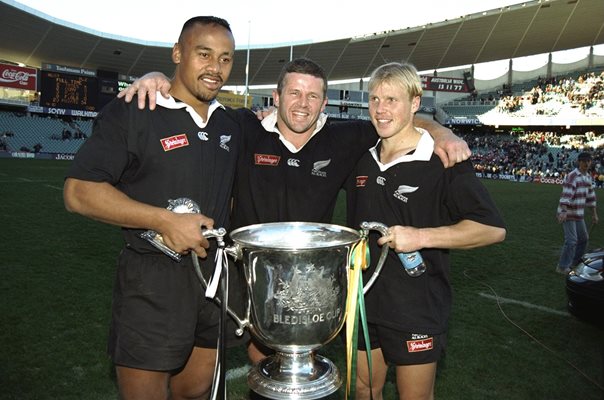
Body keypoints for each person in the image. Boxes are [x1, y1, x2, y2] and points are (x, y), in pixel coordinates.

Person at [117, 58, 472, 365]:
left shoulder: (347, 138)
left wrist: (440, 132)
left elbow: (400, 119)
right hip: (248, 276)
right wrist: (157, 78)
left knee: (302, 363)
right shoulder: (245, 128)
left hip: (310, 282)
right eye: (294, 93)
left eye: (313, 96)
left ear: (324, 103)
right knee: (254, 361)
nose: (303, 104)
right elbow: (195, 101)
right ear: (276, 97)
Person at [63, 16, 243, 400]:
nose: (216, 68)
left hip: (214, 279)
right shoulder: (134, 109)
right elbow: (78, 192)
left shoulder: (231, 124)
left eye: (226, 59)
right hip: (153, 279)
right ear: (178, 53)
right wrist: (163, 220)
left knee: (195, 390)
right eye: (204, 54)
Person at [345, 62, 506, 400]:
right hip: (362, 301)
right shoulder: (360, 157)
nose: (381, 109)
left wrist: (420, 237)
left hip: (416, 307)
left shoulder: (443, 160)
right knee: (364, 388)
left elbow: (492, 229)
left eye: (392, 100)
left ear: (415, 104)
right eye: (374, 99)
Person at [556, 151, 598, 274]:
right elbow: (566, 195)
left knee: (584, 239)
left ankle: (574, 262)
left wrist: (594, 214)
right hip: (568, 213)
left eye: (588, 161)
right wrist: (563, 211)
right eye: (584, 161)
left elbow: (591, 197)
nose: (586, 163)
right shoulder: (572, 176)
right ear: (579, 162)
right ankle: (562, 267)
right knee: (571, 240)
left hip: (579, 214)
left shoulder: (588, 177)